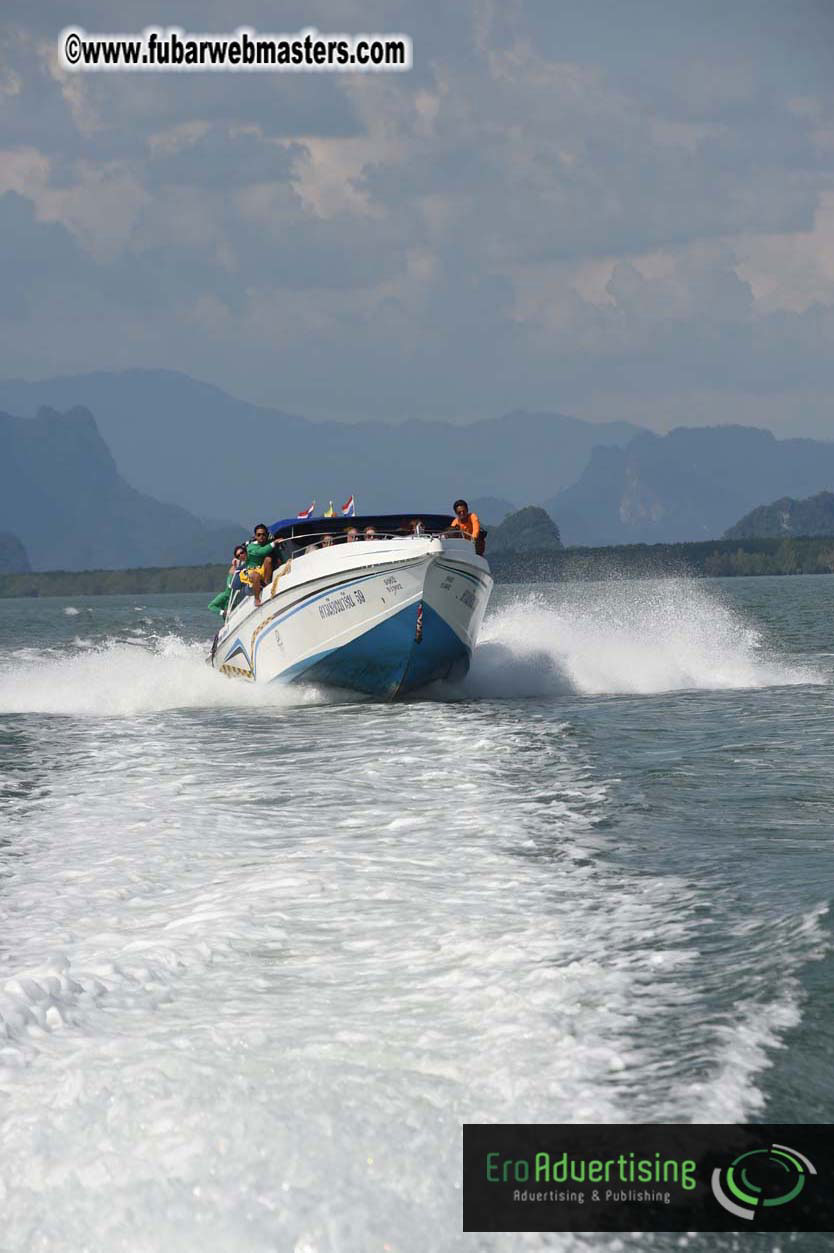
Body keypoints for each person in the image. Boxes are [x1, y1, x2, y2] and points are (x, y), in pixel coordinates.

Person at [238, 523, 283, 607]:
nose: (261, 536)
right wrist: (274, 543)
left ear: (266, 535)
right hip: (251, 572)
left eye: (263, 534)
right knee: (256, 575)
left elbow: (279, 557)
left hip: (262, 570)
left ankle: (266, 583)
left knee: (268, 559)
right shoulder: (251, 547)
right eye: (259, 535)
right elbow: (261, 552)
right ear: (255, 536)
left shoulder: (268, 543)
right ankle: (257, 599)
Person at [208, 544, 247, 616]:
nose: (241, 555)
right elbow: (211, 606)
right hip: (228, 614)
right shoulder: (225, 595)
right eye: (238, 555)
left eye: (242, 553)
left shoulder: (243, 567)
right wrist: (223, 612)